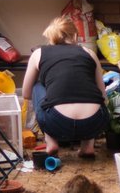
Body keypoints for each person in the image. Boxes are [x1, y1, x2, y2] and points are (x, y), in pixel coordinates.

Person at [22, 15, 109, 159]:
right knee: (93, 95)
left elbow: (26, 93)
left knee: (36, 86)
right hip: (94, 122)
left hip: (56, 122)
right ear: (75, 35)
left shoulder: (38, 53)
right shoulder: (89, 53)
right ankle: (88, 146)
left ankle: (51, 143)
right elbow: (102, 95)